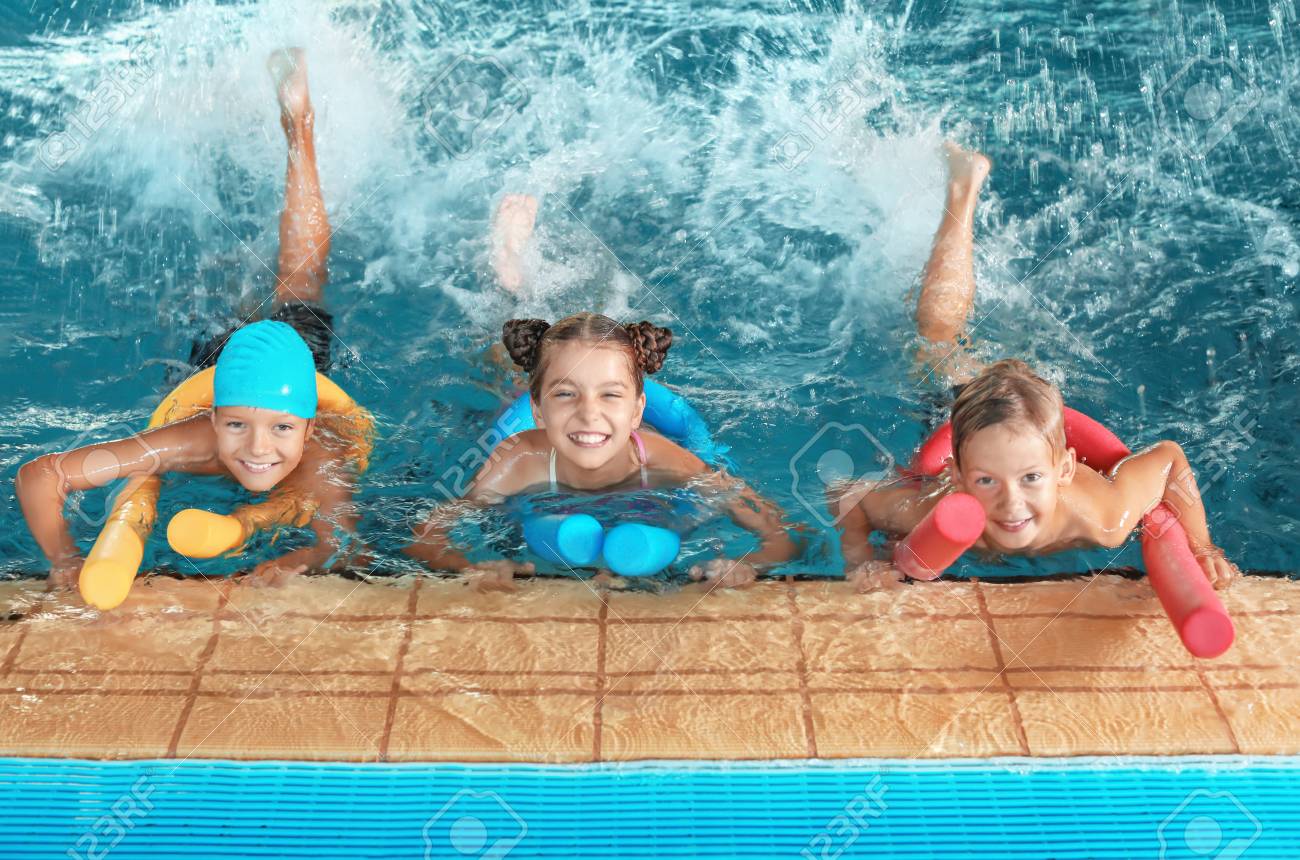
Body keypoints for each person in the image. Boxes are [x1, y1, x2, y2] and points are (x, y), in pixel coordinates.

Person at [16, 49, 369, 590]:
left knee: (302, 279)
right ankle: (293, 137)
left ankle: (300, 127)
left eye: (281, 428)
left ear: (307, 426)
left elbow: (344, 547)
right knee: (285, 287)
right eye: (235, 425)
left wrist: (296, 561)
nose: (257, 448)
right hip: (214, 368)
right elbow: (41, 474)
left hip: (297, 359)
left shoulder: (319, 457)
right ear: (211, 417)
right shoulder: (188, 441)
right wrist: (64, 560)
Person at [832, 143, 1240, 592]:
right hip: (960, 413)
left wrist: (1204, 548)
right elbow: (849, 496)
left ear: (1064, 470)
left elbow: (1169, 459)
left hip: (1012, 430)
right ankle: (961, 189)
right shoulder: (935, 503)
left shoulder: (1105, 518)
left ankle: (962, 191)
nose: (1011, 502)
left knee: (940, 339)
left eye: (1031, 478)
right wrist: (860, 561)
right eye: (986, 480)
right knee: (936, 340)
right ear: (957, 476)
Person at [405, 312, 802, 590]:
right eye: (565, 394)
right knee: (498, 375)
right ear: (539, 411)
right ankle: (507, 297)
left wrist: (746, 566)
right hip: (517, 411)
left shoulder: (667, 461)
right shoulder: (519, 461)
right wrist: (472, 568)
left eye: (610, 395)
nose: (588, 414)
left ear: (637, 411)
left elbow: (783, 533)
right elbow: (425, 538)